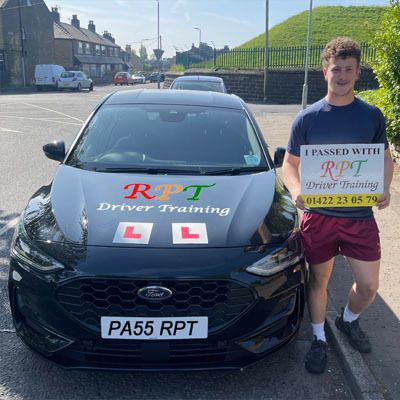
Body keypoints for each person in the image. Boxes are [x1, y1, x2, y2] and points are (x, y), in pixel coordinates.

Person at [282, 37, 393, 374]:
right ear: (325, 72)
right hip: (319, 217)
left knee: (369, 286)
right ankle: (318, 338)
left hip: (359, 216)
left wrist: (384, 187)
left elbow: (384, 158)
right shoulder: (307, 118)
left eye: (348, 69)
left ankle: (348, 319)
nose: (341, 76)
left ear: (358, 72)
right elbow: (290, 164)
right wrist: (297, 189)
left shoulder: (371, 116)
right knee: (319, 281)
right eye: (336, 69)